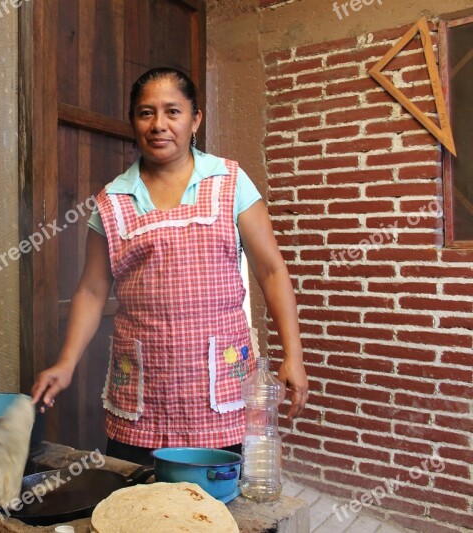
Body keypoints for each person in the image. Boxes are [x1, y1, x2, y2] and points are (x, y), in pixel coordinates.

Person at [31, 67, 308, 465]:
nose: (159, 125)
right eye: (146, 113)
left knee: (217, 508)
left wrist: (292, 355)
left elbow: (271, 271)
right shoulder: (113, 200)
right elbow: (92, 290)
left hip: (219, 390)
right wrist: (66, 362)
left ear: (195, 119)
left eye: (172, 112)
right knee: (140, 502)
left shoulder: (229, 181)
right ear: (133, 121)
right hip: (145, 389)